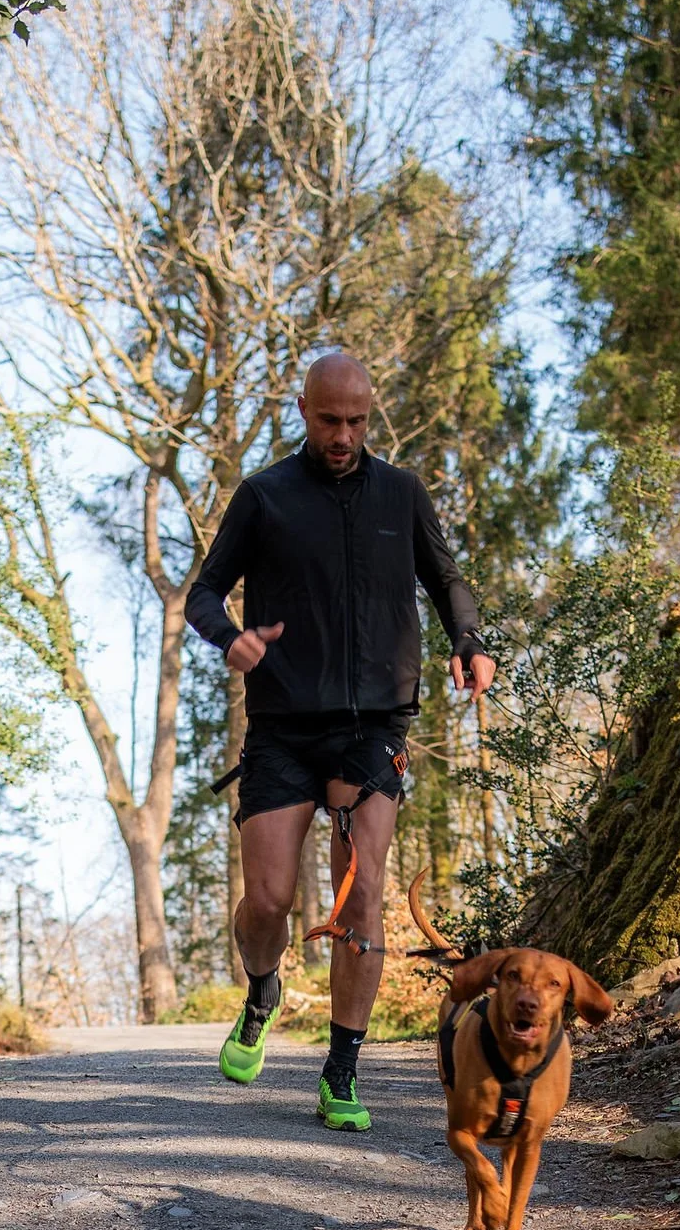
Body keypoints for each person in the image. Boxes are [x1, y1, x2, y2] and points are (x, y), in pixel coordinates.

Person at [187, 349, 495, 1131]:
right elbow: (203, 594)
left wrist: (470, 641)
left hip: (373, 724)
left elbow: (447, 578)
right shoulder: (265, 497)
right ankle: (264, 988)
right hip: (285, 723)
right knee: (269, 900)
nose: (343, 435)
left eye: (357, 421)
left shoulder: (401, 492)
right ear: (303, 410)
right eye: (330, 420)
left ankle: (341, 1071)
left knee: (361, 894)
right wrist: (230, 639)